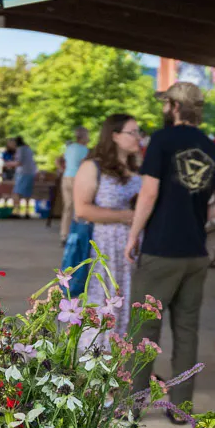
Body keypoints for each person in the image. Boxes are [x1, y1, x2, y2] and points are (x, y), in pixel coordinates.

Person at [126, 82, 215, 405]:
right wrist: (198, 218)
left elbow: (149, 193)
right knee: (187, 331)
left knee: (143, 329)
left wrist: (133, 234)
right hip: (195, 253)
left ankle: (133, 402)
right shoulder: (212, 148)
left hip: (161, 248)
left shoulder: (162, 140)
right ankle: (182, 404)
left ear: (173, 106)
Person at [74, 114, 143, 333]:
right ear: (114, 135)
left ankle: (127, 363)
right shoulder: (92, 166)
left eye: (138, 132)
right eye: (132, 132)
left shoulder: (137, 167)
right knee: (105, 304)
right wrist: (129, 215)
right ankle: (101, 360)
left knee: (132, 305)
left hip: (135, 246)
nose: (138, 137)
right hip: (106, 246)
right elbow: (82, 209)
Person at [60, 126, 91, 241]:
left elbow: (58, 159)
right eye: (88, 136)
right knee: (79, 206)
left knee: (68, 207)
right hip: (77, 179)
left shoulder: (69, 147)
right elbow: (85, 165)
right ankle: (77, 234)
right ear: (83, 137)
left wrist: (63, 169)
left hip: (66, 177)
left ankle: (64, 235)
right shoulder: (84, 150)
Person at [11, 136, 37, 211]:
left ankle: (16, 211)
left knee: (17, 192)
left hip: (23, 173)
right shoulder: (28, 148)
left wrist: (8, 164)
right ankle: (27, 211)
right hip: (31, 172)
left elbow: (19, 162)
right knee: (27, 193)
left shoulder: (20, 149)